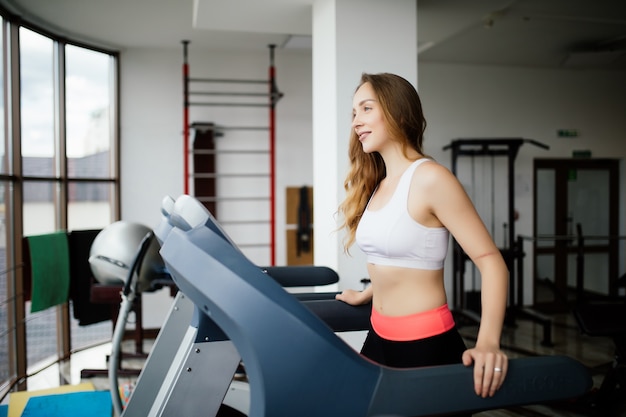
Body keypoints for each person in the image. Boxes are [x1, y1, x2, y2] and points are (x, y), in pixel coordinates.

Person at [335, 73, 509, 406]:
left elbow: (491, 263)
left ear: (398, 112)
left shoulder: (431, 178)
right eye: (354, 112)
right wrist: (367, 293)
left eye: (366, 109)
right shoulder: (380, 183)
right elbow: (402, 258)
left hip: (424, 344)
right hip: (379, 334)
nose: (356, 121)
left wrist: (488, 341)